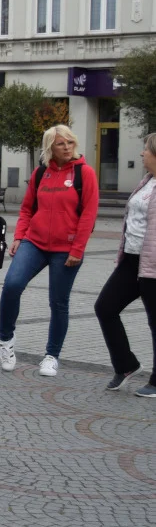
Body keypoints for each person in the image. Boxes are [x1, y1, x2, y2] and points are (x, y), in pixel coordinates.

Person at [0, 125, 99, 377]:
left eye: (70, 143)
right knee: (12, 285)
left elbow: (88, 215)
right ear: (50, 147)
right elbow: (27, 209)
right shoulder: (41, 172)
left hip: (67, 248)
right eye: (60, 144)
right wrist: (19, 236)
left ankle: (51, 356)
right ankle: (6, 340)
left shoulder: (84, 173)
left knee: (58, 302)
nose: (66, 148)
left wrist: (78, 249)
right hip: (35, 242)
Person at [94, 133, 156, 396]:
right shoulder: (146, 182)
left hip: (152, 263)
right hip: (132, 261)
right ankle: (126, 364)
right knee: (105, 307)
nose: (142, 153)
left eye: (146, 149)